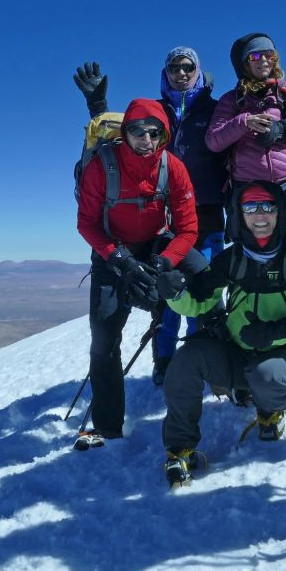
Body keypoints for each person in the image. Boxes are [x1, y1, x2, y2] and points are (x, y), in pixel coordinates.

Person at [158, 181, 286, 486]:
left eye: (268, 206)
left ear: (280, 212)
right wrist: (173, 294)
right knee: (186, 360)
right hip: (240, 350)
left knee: (267, 374)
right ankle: (180, 449)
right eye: (251, 207)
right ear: (240, 214)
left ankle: (270, 412)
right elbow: (200, 301)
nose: (260, 215)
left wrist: (269, 335)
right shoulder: (232, 258)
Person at [73, 50, 227, 387]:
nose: (147, 139)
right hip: (157, 219)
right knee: (167, 300)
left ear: (199, 71)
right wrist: (97, 109)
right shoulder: (157, 112)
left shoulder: (216, 110)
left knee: (208, 290)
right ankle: (166, 363)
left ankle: (215, 367)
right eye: (175, 67)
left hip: (203, 213)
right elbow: (124, 131)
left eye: (189, 67)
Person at [74, 97, 199, 450]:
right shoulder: (102, 167)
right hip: (113, 253)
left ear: (163, 134)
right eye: (137, 131)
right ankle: (108, 427)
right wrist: (121, 261)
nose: (146, 138)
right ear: (125, 132)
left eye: (153, 131)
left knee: (203, 276)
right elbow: (86, 224)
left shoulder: (172, 167)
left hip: (157, 247)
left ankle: (220, 377)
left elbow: (188, 228)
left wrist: (165, 263)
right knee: (104, 340)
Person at [206, 33, 286, 221]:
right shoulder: (232, 100)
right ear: (245, 63)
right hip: (248, 187)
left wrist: (284, 129)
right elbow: (213, 140)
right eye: (255, 56)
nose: (264, 61)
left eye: (269, 55)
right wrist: (244, 122)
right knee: (254, 249)